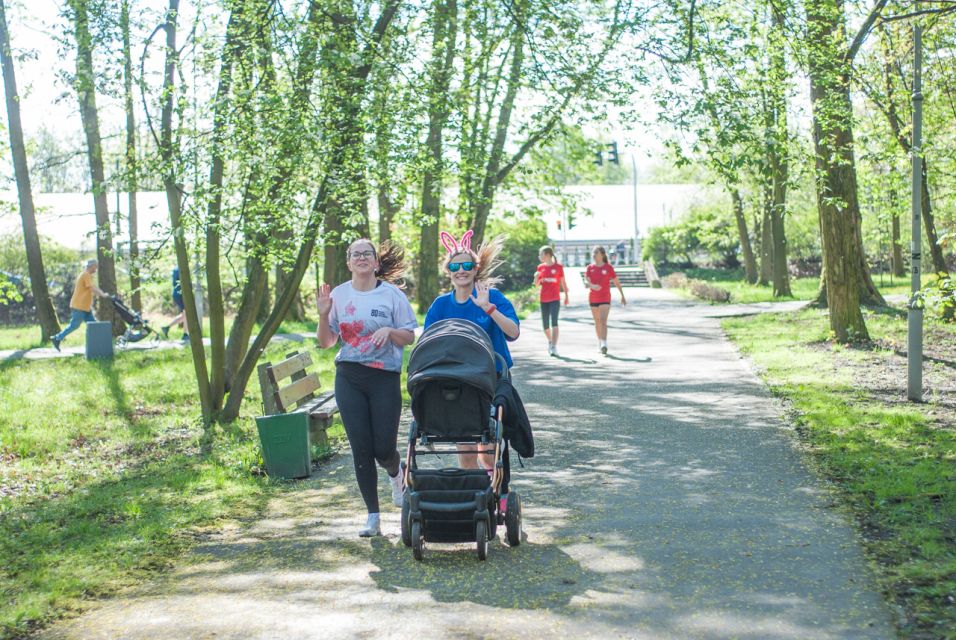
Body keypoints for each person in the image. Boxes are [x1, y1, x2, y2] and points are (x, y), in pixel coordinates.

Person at [316, 239, 417, 538]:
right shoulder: (338, 295)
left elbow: (409, 336)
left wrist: (389, 331)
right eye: (355, 254)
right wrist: (323, 315)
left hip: (384, 376)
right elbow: (326, 342)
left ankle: (396, 473)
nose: (361, 258)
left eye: (366, 254)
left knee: (382, 448)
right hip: (349, 376)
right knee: (360, 448)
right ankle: (373, 516)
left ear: (375, 262)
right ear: (348, 262)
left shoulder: (392, 295)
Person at [424, 230, 520, 471]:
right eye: (455, 266)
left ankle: (493, 486)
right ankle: (474, 494)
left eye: (467, 265)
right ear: (448, 272)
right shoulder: (440, 305)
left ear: (476, 269)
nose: (461, 270)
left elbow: (514, 333)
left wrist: (489, 309)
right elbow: (428, 342)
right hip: (456, 379)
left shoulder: (493, 296)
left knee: (488, 451)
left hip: (491, 377)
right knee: (466, 449)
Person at [51, 259, 110, 351]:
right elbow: (91, 288)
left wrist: (102, 293)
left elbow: (94, 287)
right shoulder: (85, 275)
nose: (97, 268)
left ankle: (96, 346)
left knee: (93, 326)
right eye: (96, 266)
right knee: (75, 325)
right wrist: (102, 294)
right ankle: (57, 338)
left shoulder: (88, 275)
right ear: (91, 266)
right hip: (79, 306)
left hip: (85, 307)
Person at [585, 246, 626, 355]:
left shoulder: (608, 268)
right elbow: (586, 282)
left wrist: (622, 295)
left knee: (603, 320)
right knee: (597, 322)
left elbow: (616, 282)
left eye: (596, 252)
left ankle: (604, 343)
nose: (594, 254)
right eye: (593, 253)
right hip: (593, 298)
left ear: (602, 254)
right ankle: (599, 342)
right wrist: (592, 286)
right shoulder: (589, 268)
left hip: (605, 297)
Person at [533, 245, 569, 356]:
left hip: (555, 299)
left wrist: (566, 296)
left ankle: (553, 346)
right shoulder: (540, 267)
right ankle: (550, 341)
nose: (539, 256)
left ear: (548, 255)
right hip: (544, 299)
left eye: (541, 254)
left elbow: (563, 283)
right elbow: (536, 285)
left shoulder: (558, 267)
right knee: (545, 325)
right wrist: (536, 277)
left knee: (554, 322)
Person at [161, 266, 188, 341]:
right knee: (186, 314)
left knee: (185, 314)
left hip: (177, 293)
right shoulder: (181, 268)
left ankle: (166, 328)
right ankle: (185, 334)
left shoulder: (176, 269)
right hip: (180, 294)